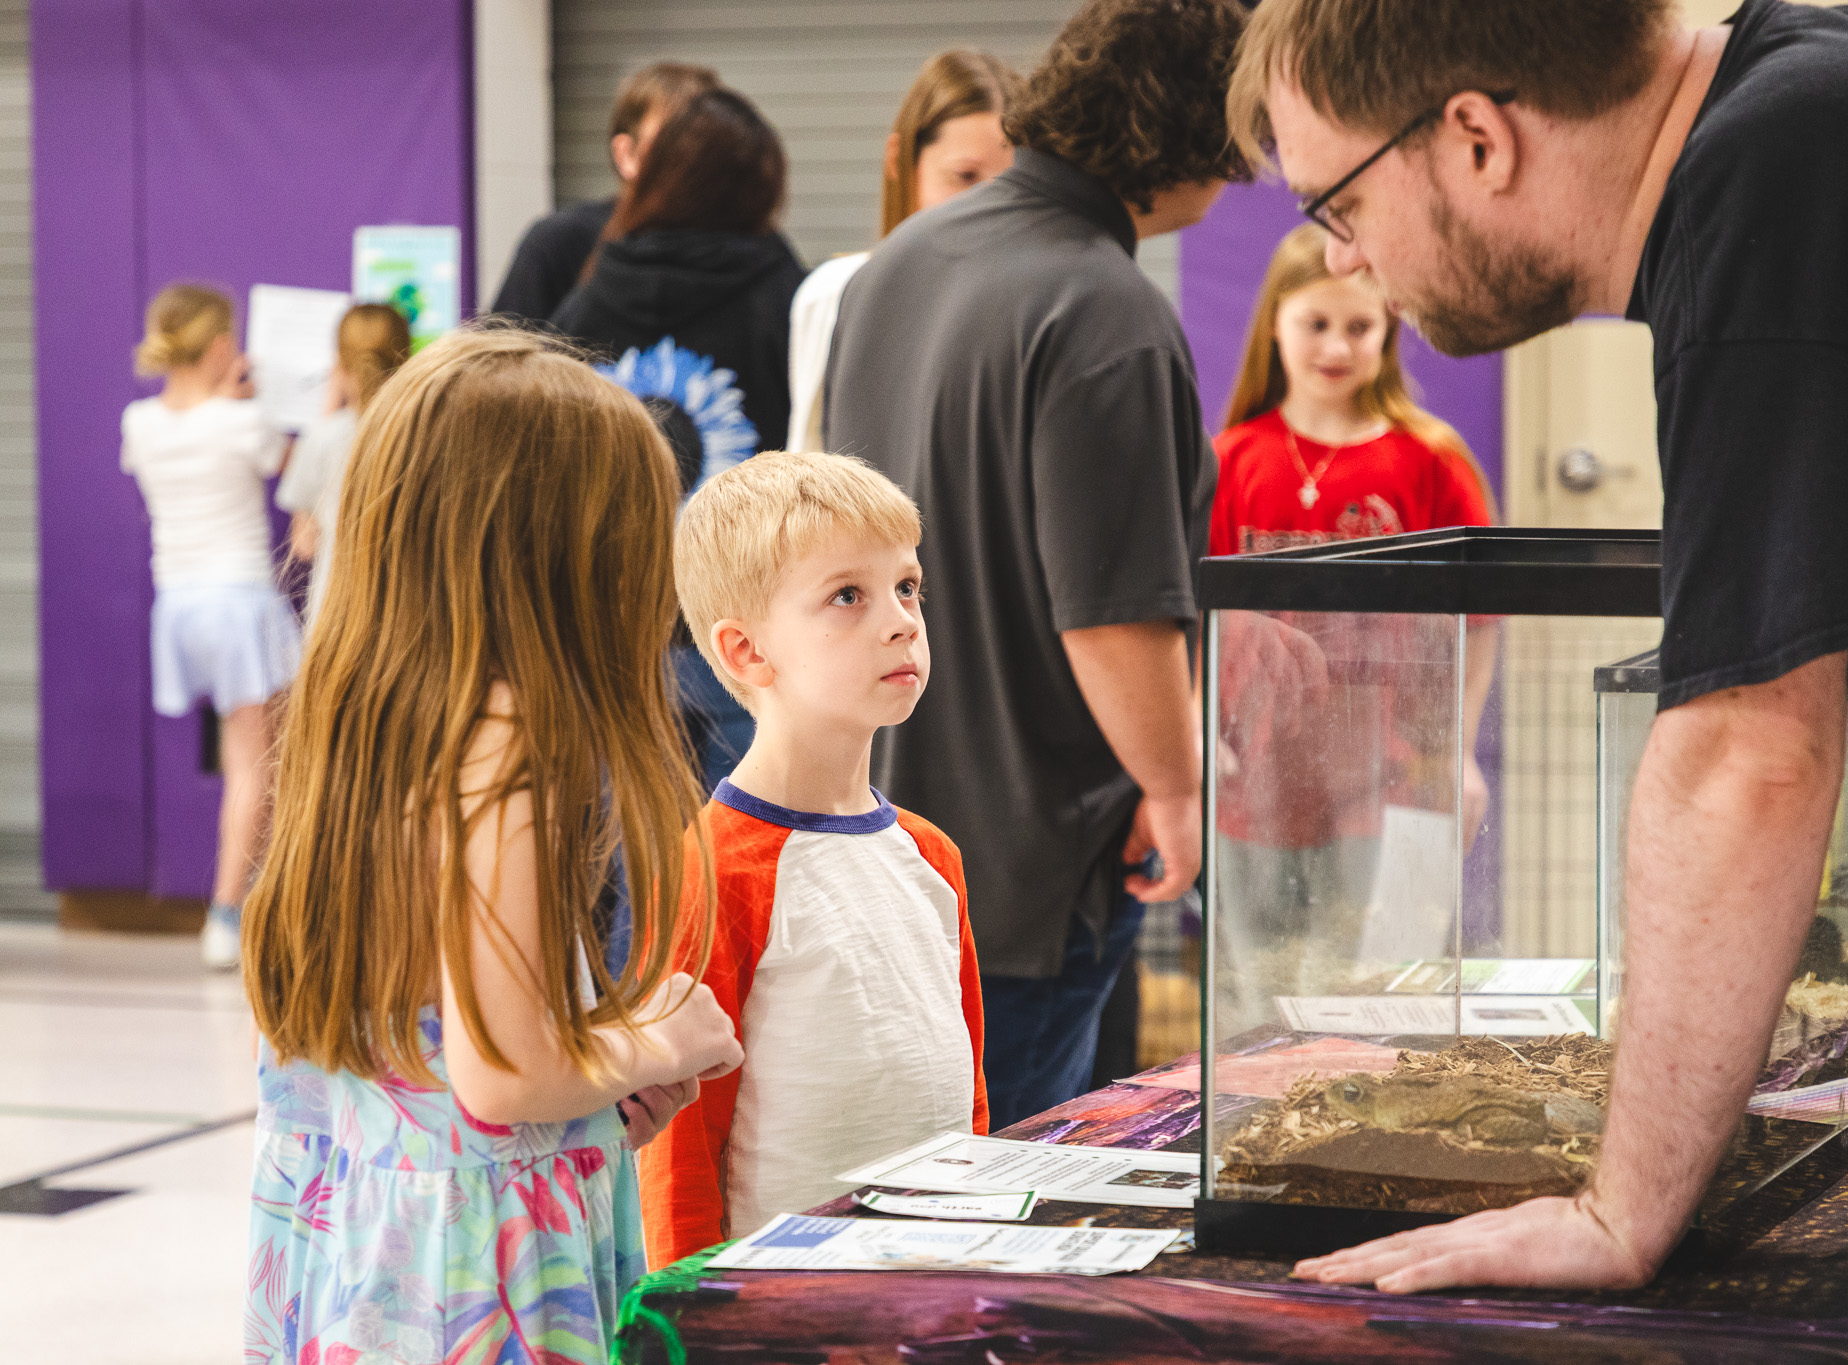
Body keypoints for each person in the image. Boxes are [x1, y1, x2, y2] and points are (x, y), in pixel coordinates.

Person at [1228, 0, 1848, 1293]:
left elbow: (1749, 745)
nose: (1342, 264)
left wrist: (1621, 1212)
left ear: (1478, 138)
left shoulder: (1775, 187)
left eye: (1337, 206)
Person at [240, 328, 744, 1363]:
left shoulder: (371, 720)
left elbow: (435, 1075)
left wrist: (596, 1096)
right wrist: (663, 1043)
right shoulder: (507, 749)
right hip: (480, 1283)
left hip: (370, 1259)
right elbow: (504, 1078)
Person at [823, 0, 1248, 1130]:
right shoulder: (1105, 309)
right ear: (1191, 139)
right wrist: (1174, 784)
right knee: (996, 1220)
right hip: (1031, 860)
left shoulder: (895, 264)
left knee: (888, 1210)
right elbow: (1110, 614)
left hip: (881, 825)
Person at [640, 450, 989, 1266]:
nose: (902, 619)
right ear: (747, 653)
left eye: (907, 587)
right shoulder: (713, 866)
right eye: (847, 596)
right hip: (780, 1309)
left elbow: (964, 1092)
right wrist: (693, 1323)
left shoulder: (931, 856)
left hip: (931, 1292)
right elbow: (678, 1147)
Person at [1210, 223, 1496, 996]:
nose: (1336, 345)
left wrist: (1457, 753)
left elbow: (1480, 619)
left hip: (1394, 777)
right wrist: (1202, 733)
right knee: (1257, 992)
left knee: (1386, 987)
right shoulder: (1230, 459)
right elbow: (1194, 624)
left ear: (1390, 331)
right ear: (1275, 323)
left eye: (1359, 326)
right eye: (1316, 324)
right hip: (1256, 781)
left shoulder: (1430, 458)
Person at [552, 86, 806, 790]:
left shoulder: (590, 294)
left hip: (611, 631)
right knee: (749, 855)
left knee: (633, 866)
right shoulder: (780, 291)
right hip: (741, 626)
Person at [121, 284, 299, 971]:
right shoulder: (242, 423)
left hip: (182, 607)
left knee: (252, 758)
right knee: (260, 764)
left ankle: (256, 901)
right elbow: (288, 465)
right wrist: (248, 402)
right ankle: (228, 912)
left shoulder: (140, 421)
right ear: (222, 345)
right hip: (240, 603)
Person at [785, 50, 1019, 452]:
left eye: (1010, 184)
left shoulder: (1032, 310)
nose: (988, 205)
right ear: (900, 161)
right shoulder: (833, 295)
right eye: (964, 177)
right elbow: (807, 469)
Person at [490, 62, 720, 322]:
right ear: (626, 154)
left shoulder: (750, 253)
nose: (692, 157)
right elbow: (499, 359)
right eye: (669, 141)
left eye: (706, 142)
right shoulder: (560, 242)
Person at [274, 303, 410, 622]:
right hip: (407, 612)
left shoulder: (323, 437)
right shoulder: (426, 433)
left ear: (339, 365)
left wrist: (327, 414)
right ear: (407, 356)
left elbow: (305, 543)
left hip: (337, 612)